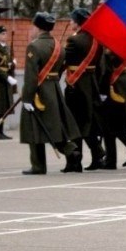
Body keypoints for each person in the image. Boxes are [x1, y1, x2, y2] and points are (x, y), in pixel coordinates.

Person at [20, 12, 81, 175]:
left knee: (35, 126)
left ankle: (38, 165)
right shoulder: (58, 46)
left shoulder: (34, 46)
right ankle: (70, 150)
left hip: (39, 91)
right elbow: (61, 68)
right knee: (54, 125)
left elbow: (31, 75)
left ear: (38, 27)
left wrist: (27, 97)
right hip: (54, 88)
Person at [63, 8, 105, 172]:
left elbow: (64, 60)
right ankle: (97, 155)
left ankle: (75, 161)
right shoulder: (96, 40)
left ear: (78, 22)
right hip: (91, 83)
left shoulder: (74, 41)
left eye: (72, 20)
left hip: (77, 85)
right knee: (89, 123)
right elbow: (100, 66)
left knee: (74, 123)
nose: (70, 23)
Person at [97, 48, 126, 169]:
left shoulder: (108, 49)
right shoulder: (124, 44)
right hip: (123, 84)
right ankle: (112, 159)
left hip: (112, 88)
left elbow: (106, 71)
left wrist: (102, 92)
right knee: (114, 124)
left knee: (110, 124)